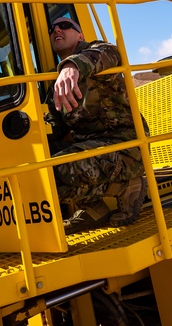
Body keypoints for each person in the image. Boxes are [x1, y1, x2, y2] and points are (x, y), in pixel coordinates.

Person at [47, 16, 147, 233]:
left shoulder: (95, 52)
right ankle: (94, 210)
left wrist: (72, 66)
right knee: (35, 166)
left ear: (80, 35)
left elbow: (112, 53)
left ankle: (126, 186)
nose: (56, 30)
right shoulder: (54, 86)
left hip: (125, 148)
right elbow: (54, 128)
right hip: (93, 149)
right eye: (52, 28)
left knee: (52, 171)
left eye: (65, 26)